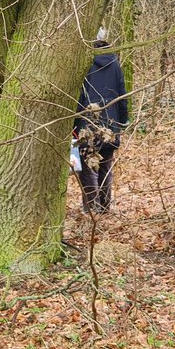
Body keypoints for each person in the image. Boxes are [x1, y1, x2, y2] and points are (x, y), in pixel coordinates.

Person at [74, 28, 128, 214]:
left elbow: (78, 96)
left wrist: (73, 122)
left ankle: (91, 209)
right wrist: (123, 120)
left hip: (86, 122)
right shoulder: (114, 61)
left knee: (88, 166)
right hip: (110, 122)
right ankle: (104, 207)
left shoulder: (81, 61)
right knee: (105, 164)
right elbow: (121, 94)